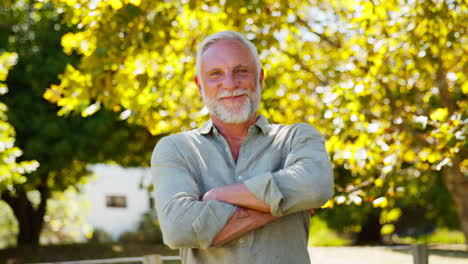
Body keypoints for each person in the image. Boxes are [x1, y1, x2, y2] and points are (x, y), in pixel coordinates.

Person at [151, 30, 334, 264]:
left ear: (260, 78)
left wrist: (220, 196)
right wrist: (284, 204)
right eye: (216, 74)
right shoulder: (176, 149)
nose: (230, 84)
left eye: (241, 71)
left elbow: (316, 187)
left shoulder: (297, 137)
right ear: (199, 85)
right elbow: (178, 229)